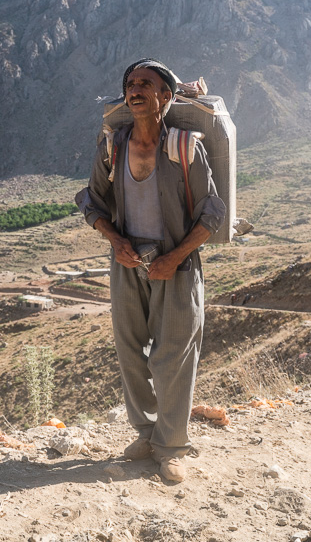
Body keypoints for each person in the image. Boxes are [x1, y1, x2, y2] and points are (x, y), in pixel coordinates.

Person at [75, 58, 225, 483]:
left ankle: (172, 446)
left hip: (175, 266)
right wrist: (117, 242)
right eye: (130, 83)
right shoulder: (113, 145)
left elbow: (212, 213)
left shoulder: (184, 147)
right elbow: (91, 202)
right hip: (126, 263)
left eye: (146, 83)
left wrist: (173, 259)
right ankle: (146, 433)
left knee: (172, 357)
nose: (135, 89)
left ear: (165, 95)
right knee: (129, 351)